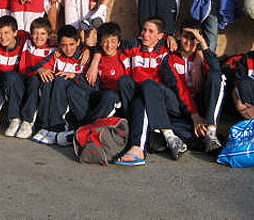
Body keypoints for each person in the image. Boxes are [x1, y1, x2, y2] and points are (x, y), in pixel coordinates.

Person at [115, 17, 199, 166]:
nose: (145, 35)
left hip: (166, 101)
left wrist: (194, 114)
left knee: (148, 85)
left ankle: (167, 136)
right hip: (140, 100)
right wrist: (94, 57)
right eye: (144, 30)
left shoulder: (167, 51)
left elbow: (177, 82)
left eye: (150, 32)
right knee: (125, 82)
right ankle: (139, 146)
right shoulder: (133, 46)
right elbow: (107, 43)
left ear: (160, 36)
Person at [168, 19, 225, 152]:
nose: (188, 42)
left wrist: (203, 45)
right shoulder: (171, 57)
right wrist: (194, 114)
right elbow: (178, 88)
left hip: (201, 103)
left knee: (216, 76)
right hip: (182, 105)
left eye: (193, 38)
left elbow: (217, 72)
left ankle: (211, 131)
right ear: (179, 36)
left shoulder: (202, 57)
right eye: (185, 37)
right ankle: (195, 137)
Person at [32, 25, 92, 146]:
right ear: (59, 44)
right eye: (64, 45)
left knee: (59, 79)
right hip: (59, 93)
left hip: (78, 95)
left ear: (78, 42)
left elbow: (91, 86)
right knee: (47, 80)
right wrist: (41, 69)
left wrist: (74, 76)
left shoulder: (84, 57)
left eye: (71, 44)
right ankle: (45, 126)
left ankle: (58, 126)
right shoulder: (57, 55)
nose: (68, 49)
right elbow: (38, 66)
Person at [13, 17, 54, 139]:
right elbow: (13, 30)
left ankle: (28, 121)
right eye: (35, 33)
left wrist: (87, 52)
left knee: (35, 81)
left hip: (37, 82)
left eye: (42, 34)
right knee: (11, 78)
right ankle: (15, 119)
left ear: (48, 35)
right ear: (30, 34)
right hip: (24, 76)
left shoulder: (53, 49)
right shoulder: (27, 42)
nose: (38, 37)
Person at [83, 22, 133, 121]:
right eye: (105, 41)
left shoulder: (126, 54)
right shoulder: (96, 58)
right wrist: (90, 54)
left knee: (124, 81)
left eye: (113, 41)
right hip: (106, 98)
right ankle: (90, 127)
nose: (109, 45)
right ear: (100, 43)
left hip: (126, 98)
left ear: (119, 43)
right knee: (109, 95)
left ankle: (88, 127)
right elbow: (82, 48)